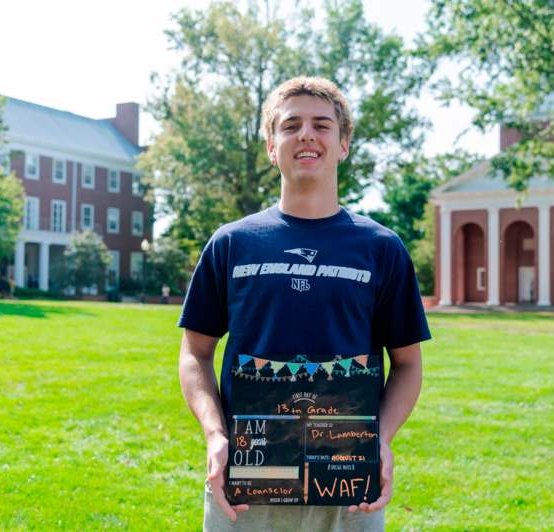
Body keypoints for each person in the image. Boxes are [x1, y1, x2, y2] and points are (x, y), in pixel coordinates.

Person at [177, 76, 430, 532]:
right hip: (248, 484)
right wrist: (216, 435)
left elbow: (408, 365)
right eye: (291, 125)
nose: (307, 134)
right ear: (272, 147)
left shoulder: (381, 248)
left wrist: (382, 441)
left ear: (344, 143)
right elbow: (195, 354)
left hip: (348, 486)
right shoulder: (231, 244)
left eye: (322, 124)